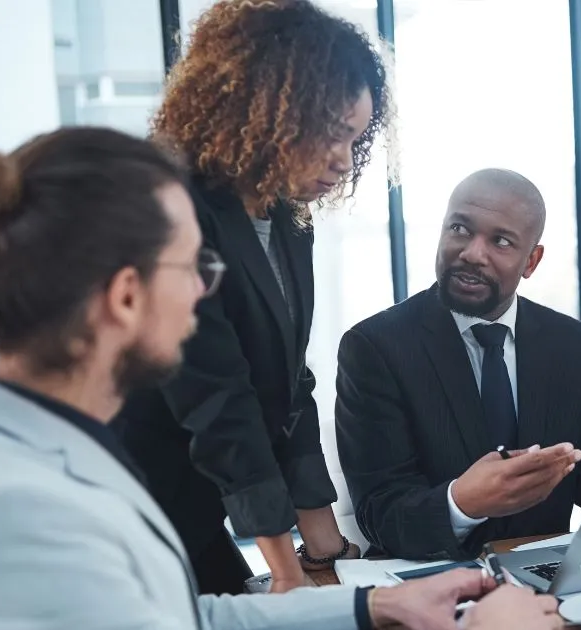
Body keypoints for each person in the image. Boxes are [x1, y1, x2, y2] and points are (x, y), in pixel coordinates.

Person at [0, 127, 563, 630]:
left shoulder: (35, 451)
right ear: (126, 298)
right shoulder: (14, 514)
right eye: (193, 267)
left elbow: (193, 617)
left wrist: (377, 604)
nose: (205, 292)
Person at [117, 0, 392, 595]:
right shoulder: (174, 210)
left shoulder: (289, 214)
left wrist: (321, 538)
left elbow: (288, 381)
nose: (344, 161)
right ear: (268, 110)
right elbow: (220, 400)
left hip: (200, 506)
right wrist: (288, 574)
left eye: (356, 138)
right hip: (136, 503)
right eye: (332, 134)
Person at [335, 168, 581, 561]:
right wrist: (463, 502)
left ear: (531, 261)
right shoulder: (375, 347)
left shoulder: (573, 345)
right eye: (459, 229)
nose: (472, 253)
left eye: (500, 241)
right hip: (428, 577)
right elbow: (379, 511)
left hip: (546, 574)